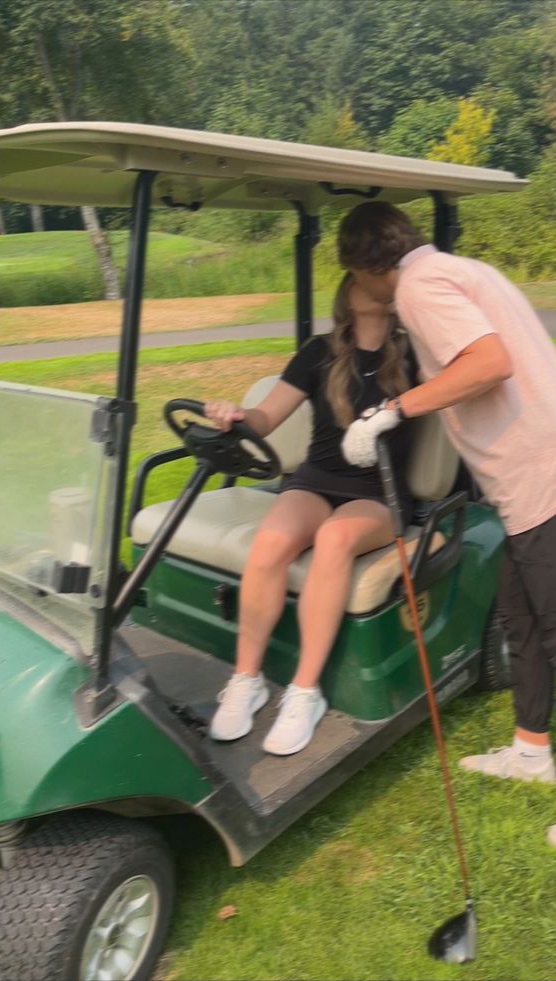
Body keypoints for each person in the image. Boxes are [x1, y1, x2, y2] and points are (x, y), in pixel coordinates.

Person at [337, 201, 556, 860]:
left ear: (369, 266)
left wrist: (388, 412)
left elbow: (488, 362)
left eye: (352, 275)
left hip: (549, 474)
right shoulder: (453, 269)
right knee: (521, 615)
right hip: (538, 476)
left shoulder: (420, 285)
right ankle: (531, 748)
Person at [204, 272, 419, 756]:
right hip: (317, 479)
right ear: (349, 291)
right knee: (271, 541)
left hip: (379, 493)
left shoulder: (414, 354)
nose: (379, 281)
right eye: (366, 274)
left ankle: (305, 691)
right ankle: (247, 679)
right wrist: (237, 415)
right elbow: (265, 418)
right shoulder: (318, 353)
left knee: (335, 540)